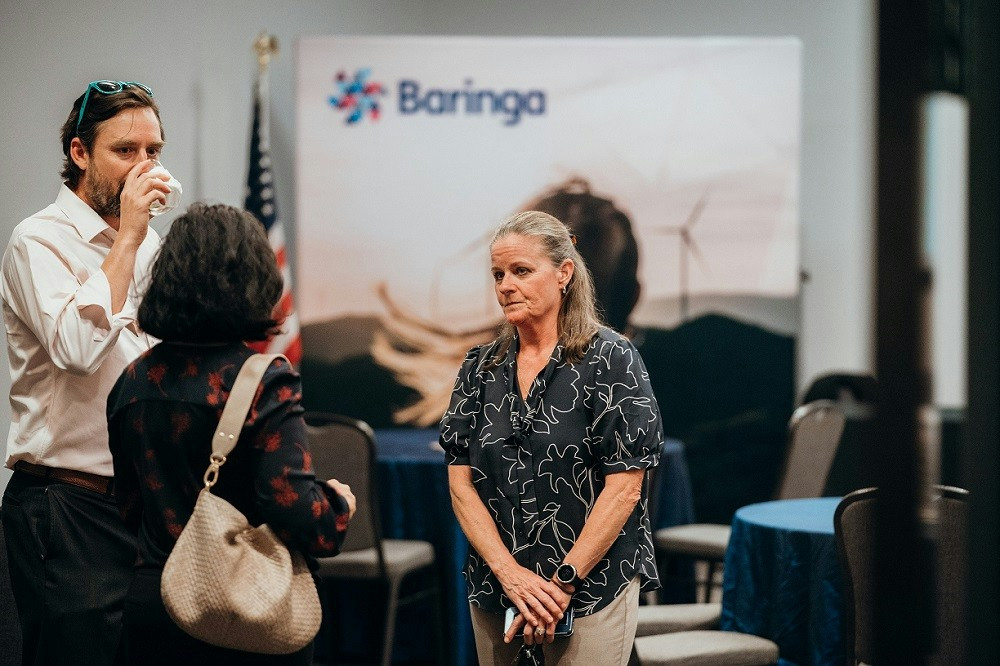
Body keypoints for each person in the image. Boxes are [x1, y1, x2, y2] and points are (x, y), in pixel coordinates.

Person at [106, 203, 356, 664]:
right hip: (243, 614)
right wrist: (338, 503)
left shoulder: (132, 381)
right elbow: (301, 516)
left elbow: (128, 505)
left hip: (154, 609)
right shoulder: (264, 381)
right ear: (253, 281)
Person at [441, 211, 663, 665]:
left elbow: (624, 488)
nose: (505, 285)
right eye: (498, 274)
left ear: (564, 274)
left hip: (592, 587)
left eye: (521, 271)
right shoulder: (479, 369)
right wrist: (511, 576)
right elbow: (460, 484)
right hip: (498, 589)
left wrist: (562, 582)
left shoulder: (611, 358)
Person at [0, 80, 172, 664]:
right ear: (79, 153)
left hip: (140, 506)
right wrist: (127, 236)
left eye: (153, 151)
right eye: (126, 151)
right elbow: (77, 347)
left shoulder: (147, 245)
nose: (144, 167)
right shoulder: (38, 239)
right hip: (64, 505)